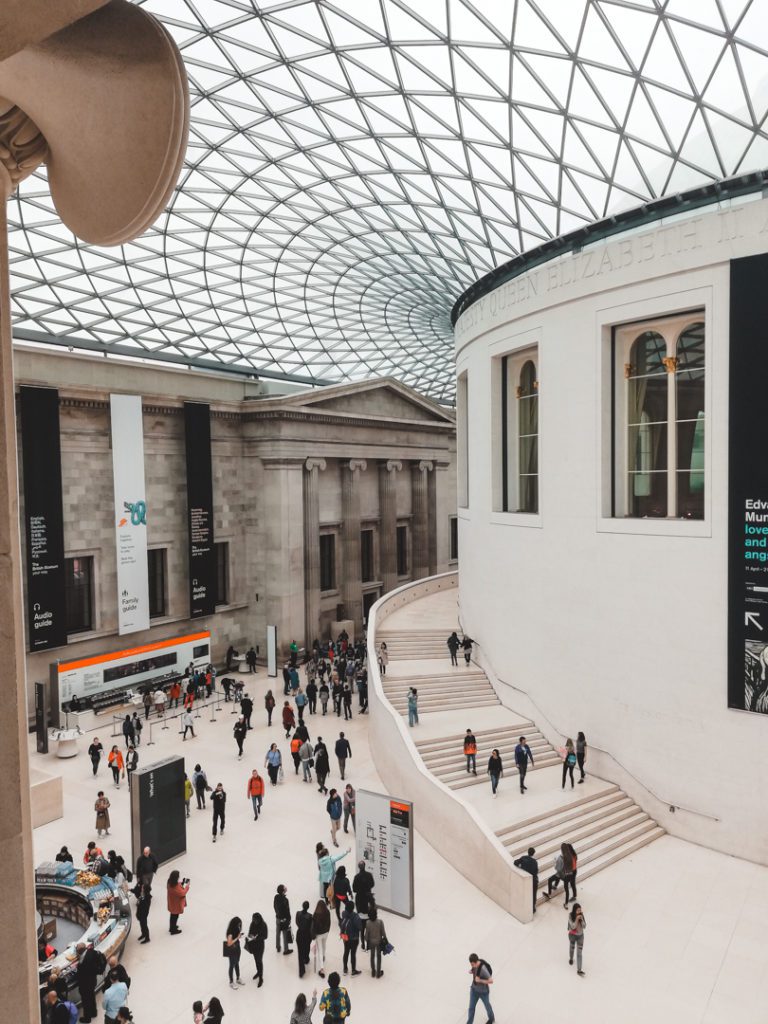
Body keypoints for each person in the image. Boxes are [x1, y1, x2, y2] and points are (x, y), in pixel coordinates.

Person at [75, 942, 101, 1022]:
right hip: (92, 981)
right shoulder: (91, 951)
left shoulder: (83, 963)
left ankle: (87, 1018)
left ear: (80, 951)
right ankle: (94, 1012)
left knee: (86, 1001)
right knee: (92, 997)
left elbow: (80, 974)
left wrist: (78, 966)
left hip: (86, 985)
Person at [466, 953, 494, 1024]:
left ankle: (491, 1018)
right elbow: (474, 971)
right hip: (474, 990)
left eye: (472, 964)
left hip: (483, 992)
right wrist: (472, 971)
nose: (472, 966)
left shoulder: (483, 969)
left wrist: (480, 980)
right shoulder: (475, 966)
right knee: (471, 1008)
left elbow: (491, 981)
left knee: (487, 1006)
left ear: (475, 962)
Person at [352, 861, 374, 947]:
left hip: (360, 901)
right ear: (365, 866)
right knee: (369, 927)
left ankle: (362, 944)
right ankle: (368, 944)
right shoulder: (369, 875)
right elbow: (372, 884)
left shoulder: (356, 877)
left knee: (362, 927)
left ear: (359, 867)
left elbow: (354, 889)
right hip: (368, 899)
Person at [340, 900, 363, 976]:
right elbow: (360, 927)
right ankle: (353, 970)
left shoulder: (343, 913)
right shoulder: (356, 916)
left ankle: (345, 969)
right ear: (353, 908)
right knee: (353, 954)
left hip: (345, 938)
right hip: (354, 939)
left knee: (346, 952)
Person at [513, 847, 539, 914]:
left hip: (526, 879)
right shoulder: (535, 862)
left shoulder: (523, 858)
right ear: (533, 854)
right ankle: (533, 907)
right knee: (533, 893)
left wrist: (521, 866)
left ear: (528, 852)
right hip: (533, 880)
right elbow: (536, 872)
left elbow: (515, 862)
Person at [364, 906, 387, 978]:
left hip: (371, 942)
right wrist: (386, 940)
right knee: (379, 957)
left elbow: (366, 935)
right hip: (379, 942)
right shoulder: (380, 922)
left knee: (372, 956)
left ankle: (373, 971)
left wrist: (366, 940)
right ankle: (378, 973)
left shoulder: (367, 923)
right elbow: (383, 933)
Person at [245, 911, 267, 985]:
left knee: (259, 961)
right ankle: (258, 972)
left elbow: (265, 936)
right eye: (253, 919)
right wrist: (249, 937)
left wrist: (256, 938)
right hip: (253, 945)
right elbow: (250, 932)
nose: (254, 921)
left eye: (255, 920)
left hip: (260, 946)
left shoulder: (263, 925)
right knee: (256, 960)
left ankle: (261, 978)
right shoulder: (252, 924)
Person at [311, 898, 331, 978]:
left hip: (319, 934)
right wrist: (328, 930)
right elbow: (329, 922)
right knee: (324, 945)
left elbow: (314, 926)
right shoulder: (327, 912)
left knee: (319, 949)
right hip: (325, 933)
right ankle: (323, 956)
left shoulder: (316, 914)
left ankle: (321, 968)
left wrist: (314, 934)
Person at [224, 916, 245, 989]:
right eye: (238, 924)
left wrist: (240, 936)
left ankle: (238, 978)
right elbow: (229, 943)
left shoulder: (236, 929)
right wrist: (237, 938)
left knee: (237, 963)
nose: (239, 926)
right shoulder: (230, 933)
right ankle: (231, 982)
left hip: (237, 948)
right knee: (232, 965)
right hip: (232, 949)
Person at [295, 900, 313, 978]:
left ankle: (301, 971)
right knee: (307, 947)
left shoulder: (298, 913)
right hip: (307, 935)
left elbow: (297, 922)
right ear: (308, 907)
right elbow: (311, 927)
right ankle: (306, 958)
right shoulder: (310, 916)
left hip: (299, 934)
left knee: (300, 952)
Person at [567, 902, 586, 976]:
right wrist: (577, 919)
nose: (579, 912)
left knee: (579, 953)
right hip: (572, 935)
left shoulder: (581, 915)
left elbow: (584, 926)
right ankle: (571, 958)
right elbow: (573, 926)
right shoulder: (570, 916)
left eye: (580, 910)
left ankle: (579, 970)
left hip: (580, 936)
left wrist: (582, 920)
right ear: (574, 910)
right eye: (578, 910)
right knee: (572, 948)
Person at [273, 884, 293, 955]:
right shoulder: (285, 900)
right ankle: (286, 949)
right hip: (284, 920)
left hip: (278, 918)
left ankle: (278, 947)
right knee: (285, 934)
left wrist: (277, 914)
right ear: (283, 891)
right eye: (284, 888)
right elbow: (287, 911)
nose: (286, 888)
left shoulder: (276, 897)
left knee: (278, 933)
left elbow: (274, 906)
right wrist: (289, 919)